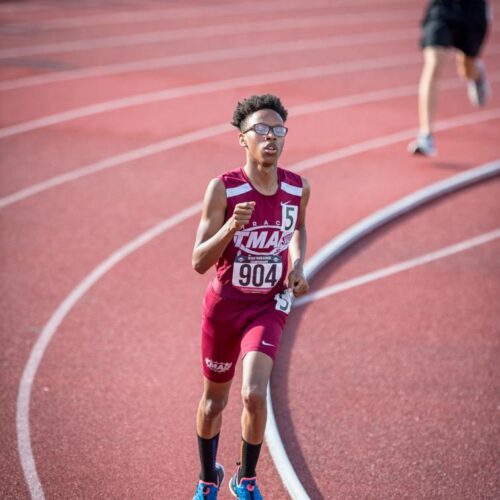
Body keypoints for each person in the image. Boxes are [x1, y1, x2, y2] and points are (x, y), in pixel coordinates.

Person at [191, 94, 310, 499]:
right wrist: (229, 230)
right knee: (212, 404)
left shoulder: (297, 187)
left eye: (278, 130)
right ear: (243, 139)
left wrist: (297, 265)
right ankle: (209, 477)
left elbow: (298, 230)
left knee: (254, 393)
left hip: (268, 305)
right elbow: (198, 261)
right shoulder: (223, 189)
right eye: (261, 130)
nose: (271, 137)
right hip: (225, 307)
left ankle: (247, 479)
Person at [408, 0, 490, 157]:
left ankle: (477, 75)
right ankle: (426, 135)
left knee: (467, 69)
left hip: (472, 10)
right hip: (442, 8)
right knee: (433, 64)